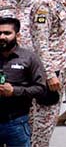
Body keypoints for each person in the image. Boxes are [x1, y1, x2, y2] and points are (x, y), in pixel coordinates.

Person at [28, 0, 66, 146]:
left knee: (48, 120)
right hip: (48, 74)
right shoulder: (43, 3)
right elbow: (40, 42)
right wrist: (50, 75)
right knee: (44, 122)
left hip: (57, 68)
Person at [0, 16, 48, 147]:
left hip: (16, 123)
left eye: (7, 33)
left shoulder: (29, 58)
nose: (2, 37)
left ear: (17, 35)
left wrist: (14, 91)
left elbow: (41, 89)